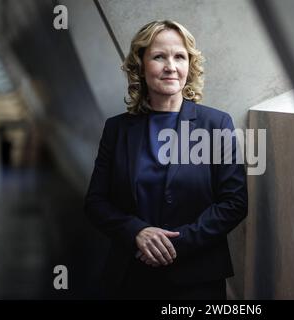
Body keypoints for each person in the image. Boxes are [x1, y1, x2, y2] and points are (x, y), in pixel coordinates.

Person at [84, 20, 247, 300]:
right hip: (130, 277)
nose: (171, 66)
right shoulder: (117, 129)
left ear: (189, 65)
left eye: (179, 57)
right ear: (141, 65)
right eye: (159, 56)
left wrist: (176, 244)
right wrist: (137, 232)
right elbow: (96, 202)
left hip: (198, 281)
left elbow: (234, 203)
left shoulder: (216, 124)